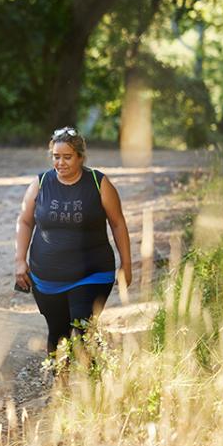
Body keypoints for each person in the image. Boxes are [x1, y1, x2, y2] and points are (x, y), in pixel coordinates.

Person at [14, 127, 132, 357]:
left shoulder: (98, 183)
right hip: (46, 278)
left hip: (91, 273)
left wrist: (126, 265)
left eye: (67, 157)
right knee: (58, 333)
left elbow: (118, 223)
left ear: (80, 157)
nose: (61, 163)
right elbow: (25, 221)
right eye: (56, 157)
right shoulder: (41, 183)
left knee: (82, 328)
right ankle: (62, 386)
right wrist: (20, 260)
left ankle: (94, 384)